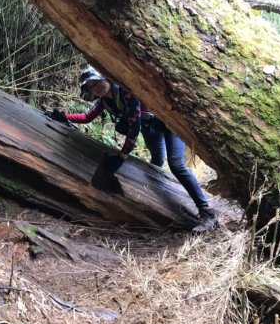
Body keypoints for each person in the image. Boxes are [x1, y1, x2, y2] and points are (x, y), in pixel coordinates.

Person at [49, 67, 218, 233]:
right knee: (157, 161)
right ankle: (159, 199)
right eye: (91, 86)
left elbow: (134, 129)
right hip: (150, 128)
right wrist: (64, 116)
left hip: (168, 124)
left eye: (97, 81)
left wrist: (121, 157)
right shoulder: (104, 102)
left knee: (176, 163)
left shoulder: (126, 92)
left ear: (105, 78)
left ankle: (206, 211)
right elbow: (87, 117)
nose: (96, 87)